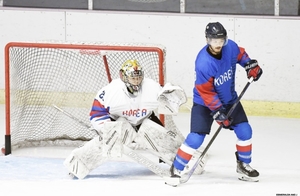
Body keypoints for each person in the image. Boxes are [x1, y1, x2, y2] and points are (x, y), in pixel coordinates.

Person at [63, 59, 189, 179]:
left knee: (162, 139)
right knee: (108, 141)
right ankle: (78, 163)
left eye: (139, 77)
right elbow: (97, 112)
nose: (136, 81)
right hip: (118, 122)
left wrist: (170, 96)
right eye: (133, 78)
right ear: (124, 77)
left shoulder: (151, 86)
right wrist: (105, 128)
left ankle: (187, 163)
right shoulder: (111, 91)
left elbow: (166, 102)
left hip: (145, 120)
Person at [170, 22, 263, 182]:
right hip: (204, 104)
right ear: (207, 40)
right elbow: (205, 91)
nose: (218, 44)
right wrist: (218, 111)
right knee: (196, 138)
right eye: (214, 41)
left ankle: (243, 165)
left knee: (245, 131)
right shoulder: (204, 62)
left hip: (229, 99)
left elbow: (240, 55)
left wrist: (249, 65)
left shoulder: (230, 47)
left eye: (221, 40)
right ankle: (176, 169)